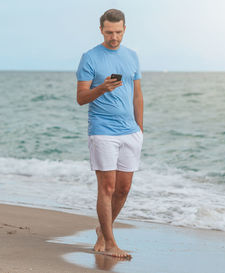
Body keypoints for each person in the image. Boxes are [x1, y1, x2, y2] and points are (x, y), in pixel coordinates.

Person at [75, 9, 143, 259]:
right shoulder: (90, 58)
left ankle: (102, 231)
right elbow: (81, 98)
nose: (113, 37)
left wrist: (140, 129)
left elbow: (137, 95)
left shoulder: (132, 57)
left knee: (123, 190)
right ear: (101, 30)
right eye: (108, 32)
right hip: (102, 130)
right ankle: (111, 243)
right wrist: (102, 87)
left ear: (124, 29)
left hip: (130, 132)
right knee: (107, 187)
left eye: (118, 32)